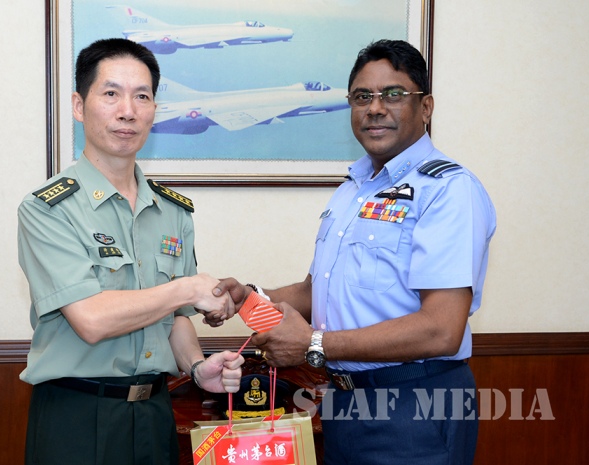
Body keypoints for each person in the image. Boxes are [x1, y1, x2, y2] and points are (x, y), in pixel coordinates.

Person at [209, 39, 496, 464]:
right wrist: (250, 297)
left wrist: (314, 344)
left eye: (393, 94)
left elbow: (441, 329)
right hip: (343, 402)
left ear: (426, 107)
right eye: (362, 97)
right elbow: (319, 291)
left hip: (415, 402)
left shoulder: (449, 190)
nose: (375, 108)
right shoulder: (353, 189)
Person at [17, 38, 243, 465]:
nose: (127, 111)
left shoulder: (173, 211)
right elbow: (91, 319)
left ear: (154, 109)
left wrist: (198, 367)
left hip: (155, 412)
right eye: (111, 94)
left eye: (142, 96)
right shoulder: (48, 208)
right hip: (76, 415)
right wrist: (188, 288)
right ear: (79, 106)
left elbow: (175, 317)